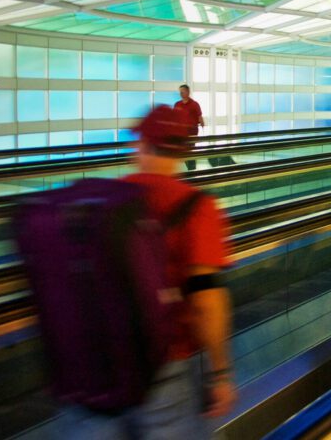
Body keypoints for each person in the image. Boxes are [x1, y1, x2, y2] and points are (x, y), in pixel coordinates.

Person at [58, 105, 235, 436]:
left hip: (101, 368)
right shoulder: (197, 207)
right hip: (164, 368)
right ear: (182, 149)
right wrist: (220, 373)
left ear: (141, 146)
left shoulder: (103, 204)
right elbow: (205, 301)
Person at [174, 84, 204, 171]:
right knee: (183, 151)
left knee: (190, 151)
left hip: (192, 132)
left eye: (182, 91)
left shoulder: (194, 104)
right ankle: (187, 169)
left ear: (188, 92)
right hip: (181, 132)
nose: (181, 93)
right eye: (180, 92)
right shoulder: (177, 104)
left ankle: (192, 170)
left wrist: (202, 125)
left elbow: (199, 116)